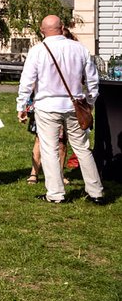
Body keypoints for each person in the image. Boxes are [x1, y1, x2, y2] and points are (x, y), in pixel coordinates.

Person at [17, 15, 105, 204]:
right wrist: (89, 102)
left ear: (42, 30)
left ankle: (56, 194)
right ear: (62, 27)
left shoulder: (37, 51)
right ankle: (96, 191)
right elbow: (92, 80)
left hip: (47, 105)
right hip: (75, 105)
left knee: (49, 149)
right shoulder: (79, 49)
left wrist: (22, 105)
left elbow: (27, 81)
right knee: (83, 148)